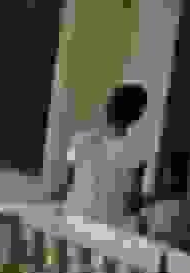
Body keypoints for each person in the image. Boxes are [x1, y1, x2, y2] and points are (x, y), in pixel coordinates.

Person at [59, 83, 154, 230]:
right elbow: (132, 203)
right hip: (110, 231)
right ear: (137, 115)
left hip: (73, 224)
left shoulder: (78, 140)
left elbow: (66, 187)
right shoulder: (138, 151)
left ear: (107, 107)